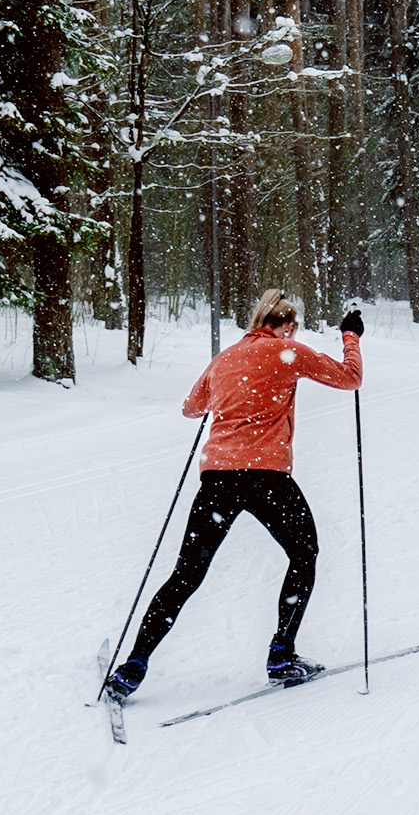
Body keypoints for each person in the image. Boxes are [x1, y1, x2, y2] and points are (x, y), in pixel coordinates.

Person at [104, 289, 364, 704]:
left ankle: (132, 668)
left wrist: (226, 392)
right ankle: (281, 655)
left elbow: (191, 408)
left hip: (219, 479)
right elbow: (351, 378)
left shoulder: (225, 359)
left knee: (186, 575)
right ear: (286, 325)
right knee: (304, 554)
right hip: (267, 477)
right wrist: (350, 337)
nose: (291, 334)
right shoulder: (289, 352)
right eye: (291, 327)